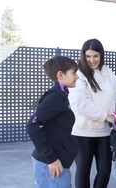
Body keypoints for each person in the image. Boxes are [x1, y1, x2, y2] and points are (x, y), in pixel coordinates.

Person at [68, 38, 116, 188]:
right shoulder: (79, 74)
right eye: (88, 56)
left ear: (101, 55)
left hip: (104, 132)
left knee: (105, 171)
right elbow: (80, 103)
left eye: (95, 56)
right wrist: (106, 116)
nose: (91, 60)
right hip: (83, 133)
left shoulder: (107, 71)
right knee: (83, 172)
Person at [26, 55, 79, 188]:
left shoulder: (60, 95)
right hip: (51, 166)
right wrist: (52, 159)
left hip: (58, 164)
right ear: (61, 75)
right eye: (74, 73)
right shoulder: (56, 96)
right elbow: (33, 125)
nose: (77, 77)